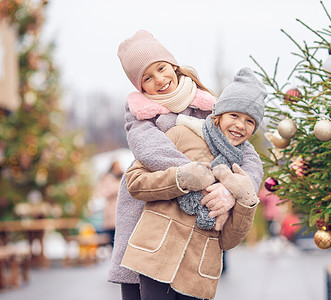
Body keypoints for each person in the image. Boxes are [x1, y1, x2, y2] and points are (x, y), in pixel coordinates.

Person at [107, 30, 264, 300]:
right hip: (148, 206)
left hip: (194, 220)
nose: (159, 79)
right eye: (147, 77)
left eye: (161, 68)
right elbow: (154, 151)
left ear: (173, 66)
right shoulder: (140, 112)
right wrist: (203, 179)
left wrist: (231, 190)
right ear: (140, 86)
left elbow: (245, 153)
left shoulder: (208, 104)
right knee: (141, 279)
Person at [97, 160, 123, 248]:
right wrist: (116, 186)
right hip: (111, 211)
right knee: (112, 236)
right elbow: (104, 192)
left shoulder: (123, 176)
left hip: (120, 209)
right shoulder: (107, 178)